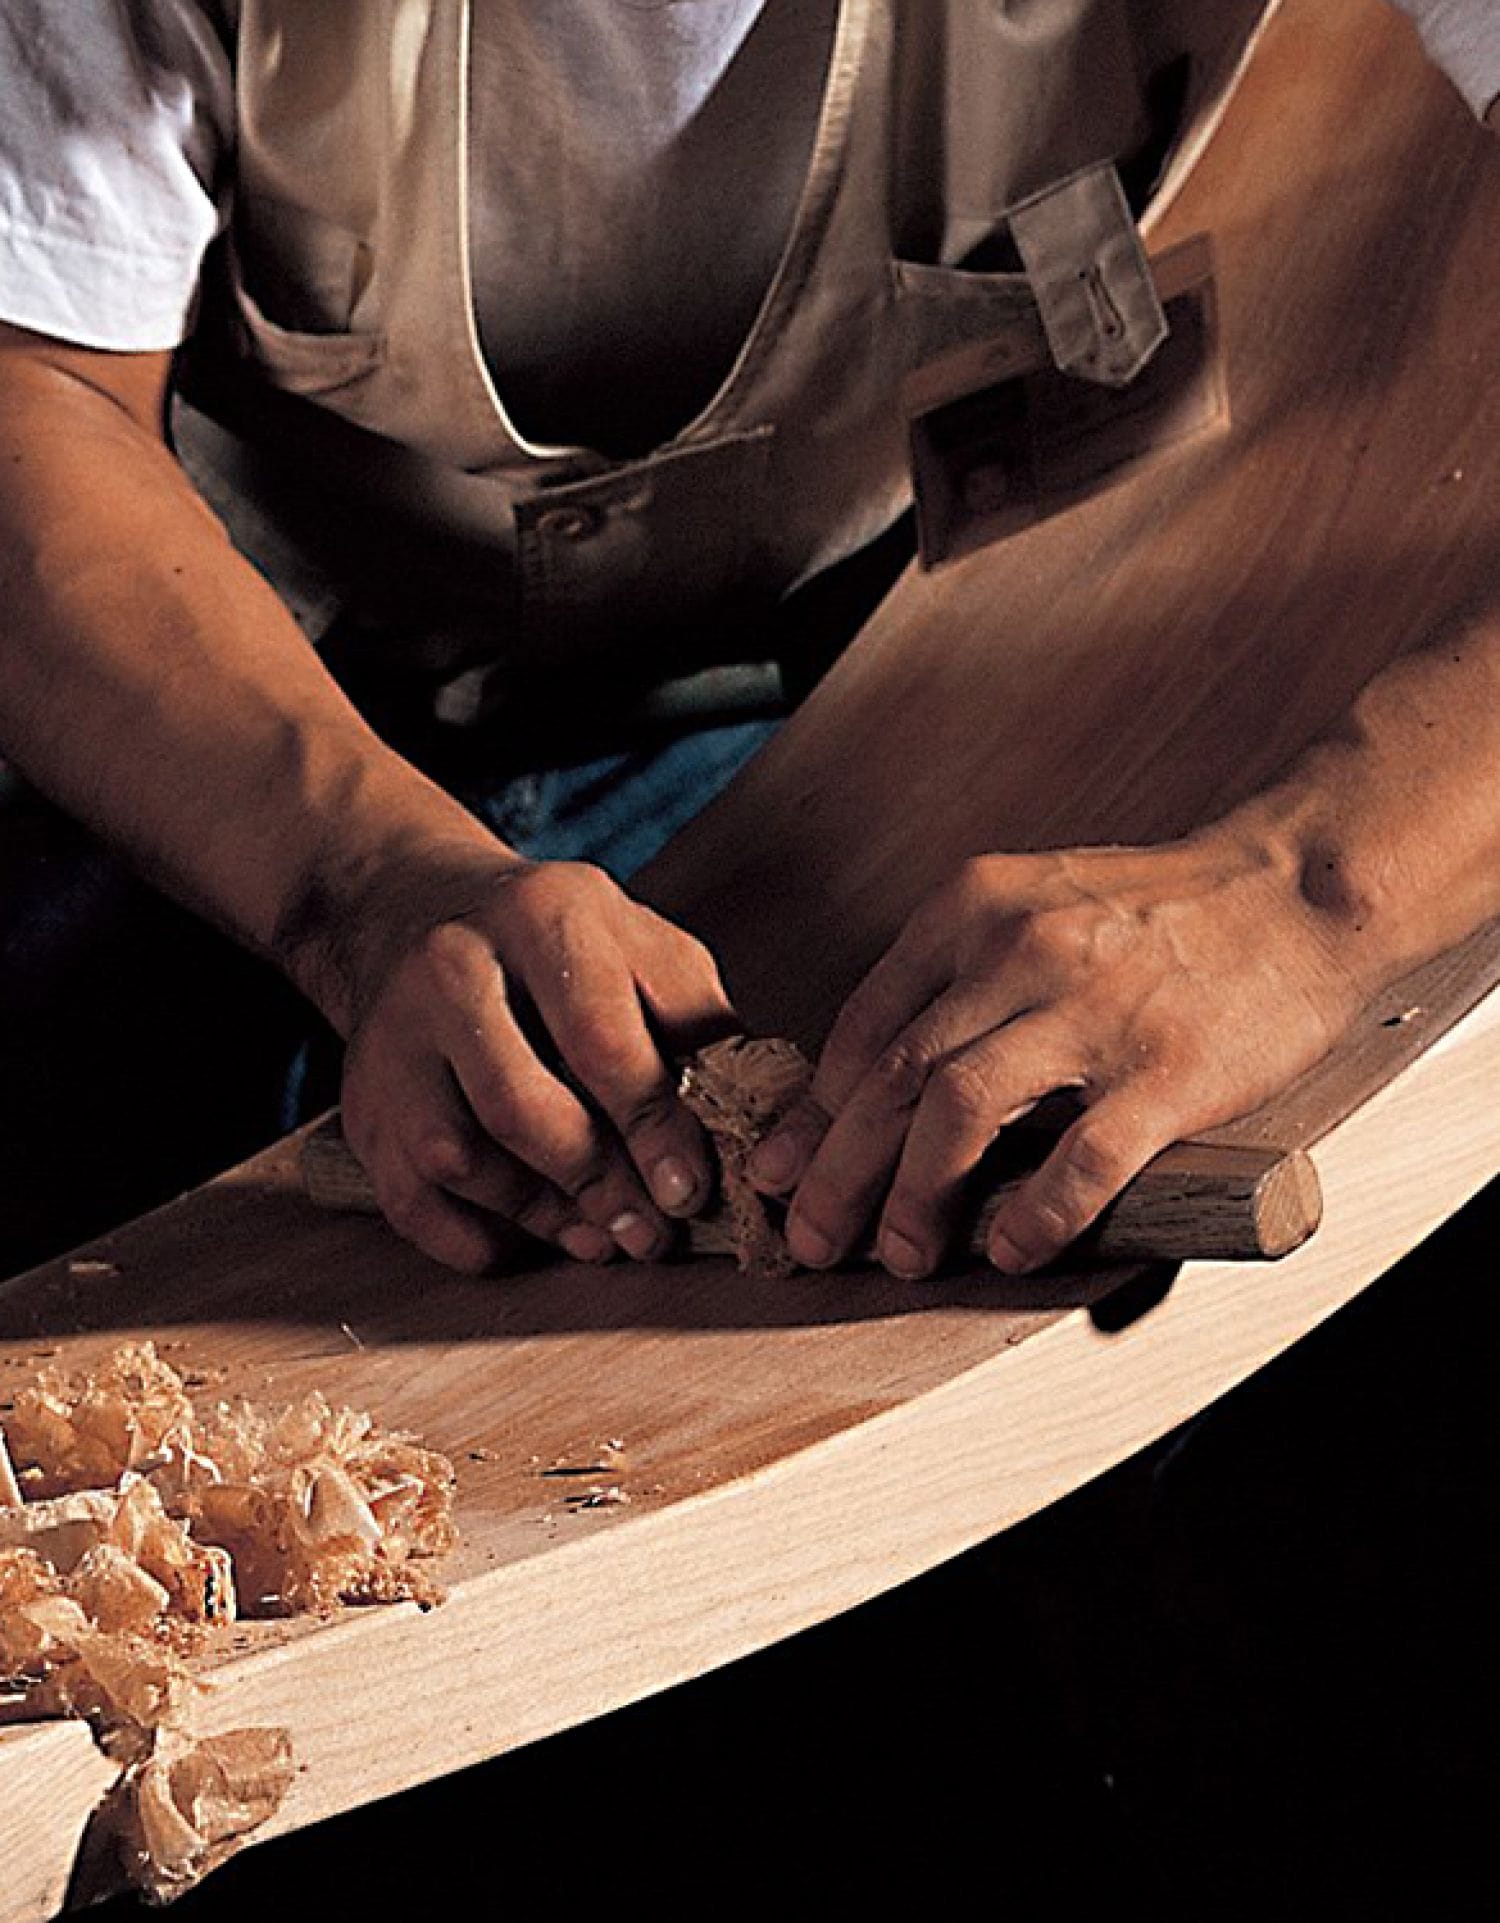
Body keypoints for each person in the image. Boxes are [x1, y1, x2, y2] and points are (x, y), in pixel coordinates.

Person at [0, 0, 1496, 1284]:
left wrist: (1311, 895)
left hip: (886, 667)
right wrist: (367, 883)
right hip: (221, 698)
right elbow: (33, 391)